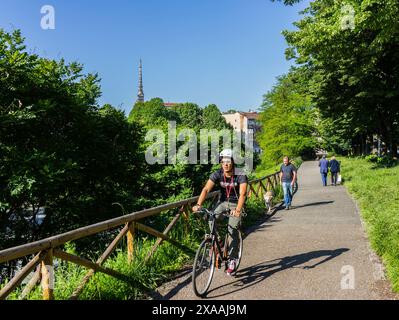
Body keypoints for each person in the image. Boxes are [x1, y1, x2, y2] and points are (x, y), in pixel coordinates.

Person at [192, 149, 248, 276]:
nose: (226, 164)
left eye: (228, 161)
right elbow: (206, 189)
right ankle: (217, 241)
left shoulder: (241, 174)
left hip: (236, 203)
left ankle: (232, 259)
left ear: (233, 162)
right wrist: (198, 204)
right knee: (210, 217)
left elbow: (243, 193)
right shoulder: (218, 174)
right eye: (223, 162)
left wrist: (238, 210)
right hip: (222, 203)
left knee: (232, 229)